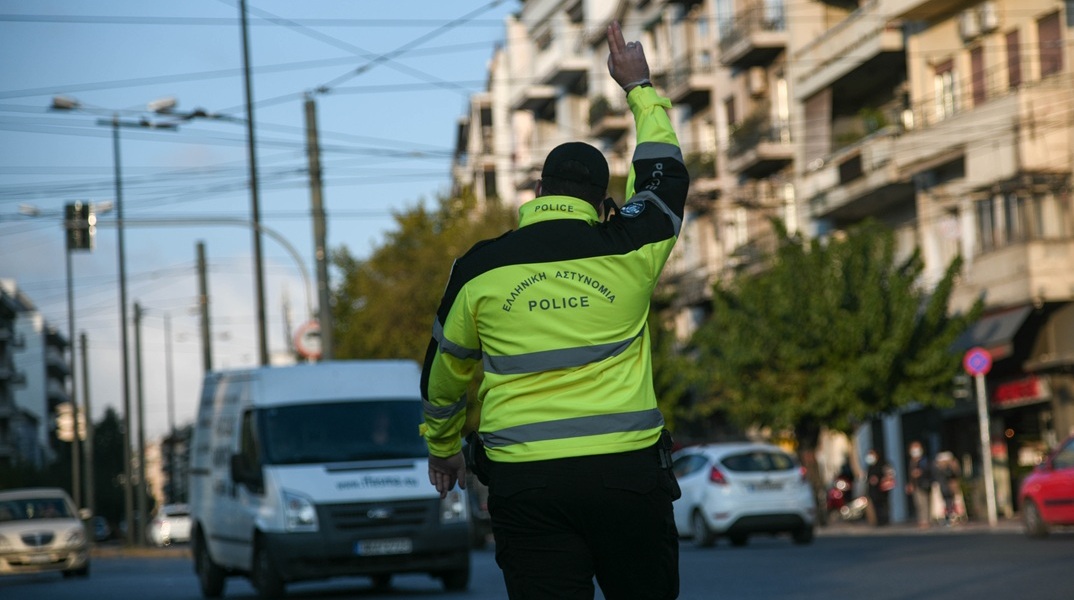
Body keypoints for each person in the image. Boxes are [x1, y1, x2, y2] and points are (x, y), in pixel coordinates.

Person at [419, 21, 688, 600]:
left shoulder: (480, 268)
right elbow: (665, 175)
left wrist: (443, 450)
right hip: (627, 479)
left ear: (539, 190)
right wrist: (640, 87)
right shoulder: (631, 247)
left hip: (526, 484)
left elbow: (445, 377)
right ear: (602, 200)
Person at [906, 440, 932, 528]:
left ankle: (925, 520)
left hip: (923, 484)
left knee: (924, 502)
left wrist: (921, 472)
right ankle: (921, 520)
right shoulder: (912, 461)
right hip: (915, 485)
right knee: (918, 503)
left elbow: (928, 470)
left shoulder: (924, 460)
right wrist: (910, 484)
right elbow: (910, 474)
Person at [865, 449, 894, 526]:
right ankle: (877, 521)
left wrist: (879, 479)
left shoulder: (883, 464)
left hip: (882, 490)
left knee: (883, 505)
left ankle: (884, 520)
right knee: (875, 506)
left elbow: (889, 475)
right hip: (873, 490)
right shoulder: (870, 466)